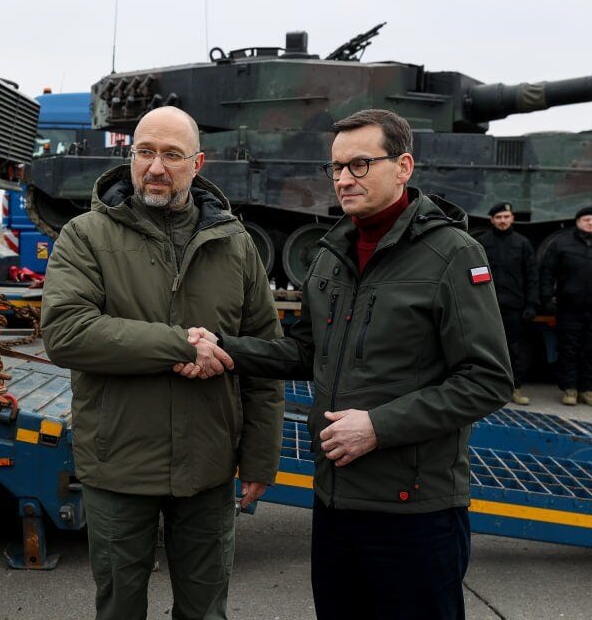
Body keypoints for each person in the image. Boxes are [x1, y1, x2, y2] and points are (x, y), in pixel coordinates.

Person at [192, 109, 511, 620]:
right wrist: (227, 348)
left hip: (414, 510)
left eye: (360, 164)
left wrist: (379, 426)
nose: (343, 179)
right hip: (336, 502)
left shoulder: (452, 255)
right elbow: (305, 351)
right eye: (336, 167)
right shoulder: (332, 253)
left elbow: (487, 380)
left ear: (403, 166)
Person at [40, 106, 283, 620]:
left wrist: (260, 456)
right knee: (120, 609)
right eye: (145, 152)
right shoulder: (86, 236)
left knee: (205, 610)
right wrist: (181, 346)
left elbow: (264, 356)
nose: (156, 167)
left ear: (197, 163)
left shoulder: (235, 245)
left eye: (172, 155)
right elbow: (66, 333)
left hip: (208, 466)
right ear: (130, 157)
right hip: (118, 465)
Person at [539, 207, 592, 407]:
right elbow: (547, 273)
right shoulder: (562, 244)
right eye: (586, 219)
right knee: (568, 350)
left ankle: (588, 389)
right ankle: (570, 389)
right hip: (570, 308)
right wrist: (546, 299)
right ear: (578, 222)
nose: (590, 223)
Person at [478, 202, 538, 405]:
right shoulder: (482, 243)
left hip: (514, 307)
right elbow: (473, 273)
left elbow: (531, 276)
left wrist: (531, 304)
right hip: (488, 306)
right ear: (492, 220)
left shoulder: (522, 243)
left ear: (512, 218)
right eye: (498, 217)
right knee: (486, 349)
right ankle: (486, 389)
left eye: (506, 217)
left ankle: (515, 388)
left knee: (514, 349)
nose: (502, 221)